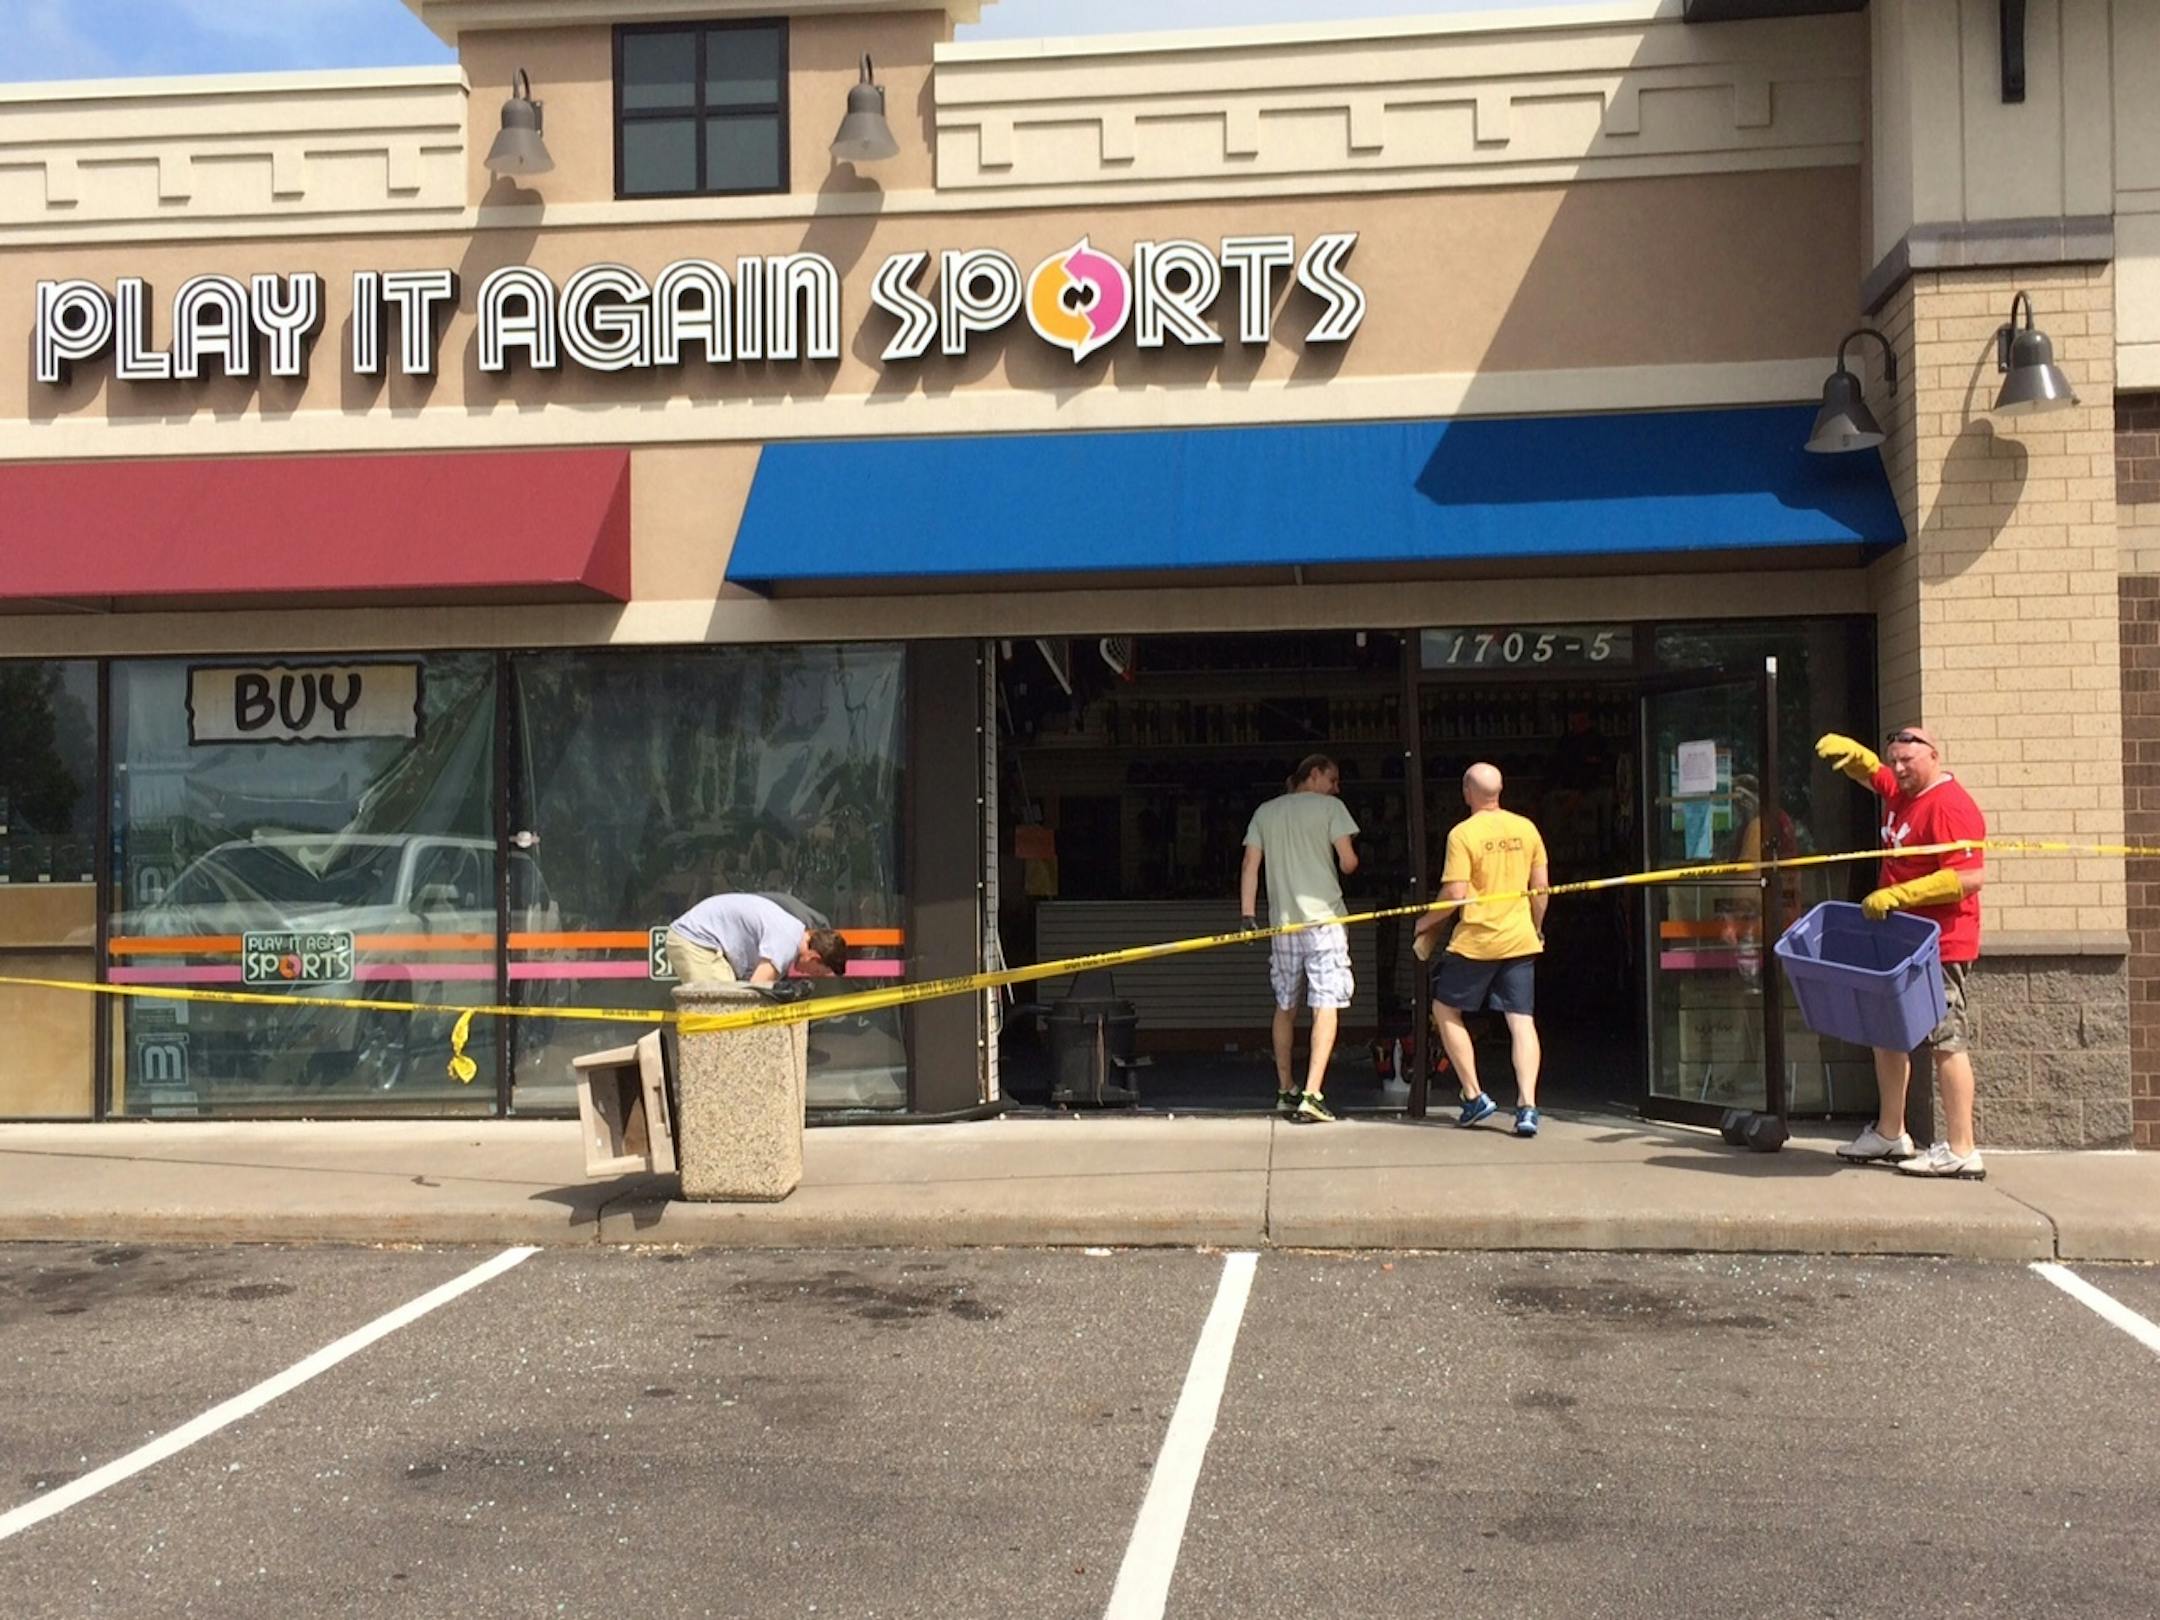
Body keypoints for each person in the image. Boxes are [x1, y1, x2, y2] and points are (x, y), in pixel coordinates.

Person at [1817, 725, 1988, 1179]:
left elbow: (1969, 876)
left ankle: (1961, 1148)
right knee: (1887, 1033)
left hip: (1940, 944)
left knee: (1946, 1040)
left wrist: (1901, 895)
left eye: (1907, 761)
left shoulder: (1950, 805)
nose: (1898, 769)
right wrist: (1861, 761)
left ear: (1933, 755)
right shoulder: (1902, 792)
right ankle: (1890, 1133)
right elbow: (1876, 777)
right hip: (1898, 939)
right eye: (1893, 760)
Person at [1414, 763, 1548, 1137]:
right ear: (1500, 790)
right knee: (1521, 1020)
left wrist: (1426, 921)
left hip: (1476, 942)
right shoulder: (1526, 828)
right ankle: (1527, 1107)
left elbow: (1455, 893)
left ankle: (1474, 1096)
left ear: (1467, 792)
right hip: (1519, 938)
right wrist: (1536, 928)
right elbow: (1541, 890)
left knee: (1445, 1010)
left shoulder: (1463, 834)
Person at [1240, 754, 1360, 1124]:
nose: (1336, 788)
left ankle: (1285, 1088)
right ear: (1315, 774)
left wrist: (1247, 916)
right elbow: (1349, 863)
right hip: (1325, 922)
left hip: (1283, 924)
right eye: (1333, 779)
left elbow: (1249, 866)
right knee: (1325, 1004)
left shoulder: (1266, 812)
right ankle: (1312, 1093)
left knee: (1285, 1005)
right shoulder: (1331, 808)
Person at [665, 891, 849, 985]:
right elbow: (756, 989)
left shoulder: (791, 931)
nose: (810, 975)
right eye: (816, 972)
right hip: (696, 940)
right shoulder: (786, 943)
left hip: (699, 938)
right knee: (724, 1006)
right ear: (814, 958)